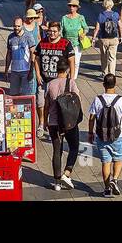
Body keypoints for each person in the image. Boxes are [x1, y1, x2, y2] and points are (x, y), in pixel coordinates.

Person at [88, 73, 122, 197]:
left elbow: (91, 118)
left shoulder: (98, 99)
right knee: (118, 160)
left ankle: (107, 189)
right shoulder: (120, 99)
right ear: (115, 84)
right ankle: (115, 179)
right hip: (118, 136)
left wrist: (91, 133)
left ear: (103, 85)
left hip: (102, 136)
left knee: (106, 162)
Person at [45, 56, 81, 191]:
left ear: (56, 70)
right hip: (70, 122)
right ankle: (67, 173)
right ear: (66, 70)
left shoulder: (50, 84)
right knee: (74, 147)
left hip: (54, 122)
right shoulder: (71, 83)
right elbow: (78, 99)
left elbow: (47, 105)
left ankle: (57, 182)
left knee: (56, 151)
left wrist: (44, 122)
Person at [36, 18, 75, 127]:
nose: (52, 34)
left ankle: (58, 123)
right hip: (44, 79)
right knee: (41, 103)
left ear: (59, 32)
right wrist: (38, 74)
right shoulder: (43, 42)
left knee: (57, 103)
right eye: (50, 31)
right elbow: (36, 58)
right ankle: (42, 124)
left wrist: (71, 78)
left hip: (59, 81)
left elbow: (72, 61)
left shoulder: (66, 43)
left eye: (54, 31)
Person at [4, 12, 39, 98]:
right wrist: (6, 70)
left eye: (18, 26)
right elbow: (9, 54)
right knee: (14, 95)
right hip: (14, 71)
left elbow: (33, 54)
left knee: (26, 95)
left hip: (26, 71)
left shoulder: (28, 36)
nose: (16, 28)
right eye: (15, 26)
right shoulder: (10, 37)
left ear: (22, 25)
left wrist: (31, 70)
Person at [61, 0, 89, 79]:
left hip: (77, 43)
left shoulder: (80, 18)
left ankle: (73, 79)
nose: (71, 7)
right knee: (66, 63)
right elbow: (61, 30)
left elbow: (86, 28)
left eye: (73, 6)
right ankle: (65, 78)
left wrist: (84, 33)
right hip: (66, 44)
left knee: (76, 63)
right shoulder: (64, 18)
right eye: (70, 6)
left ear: (77, 8)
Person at [95, 0, 121, 79]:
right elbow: (120, 26)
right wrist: (121, 37)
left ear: (104, 5)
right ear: (112, 5)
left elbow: (97, 28)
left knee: (103, 56)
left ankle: (104, 73)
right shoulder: (116, 14)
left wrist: (93, 38)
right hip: (114, 38)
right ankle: (112, 75)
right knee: (112, 57)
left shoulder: (101, 15)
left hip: (103, 39)